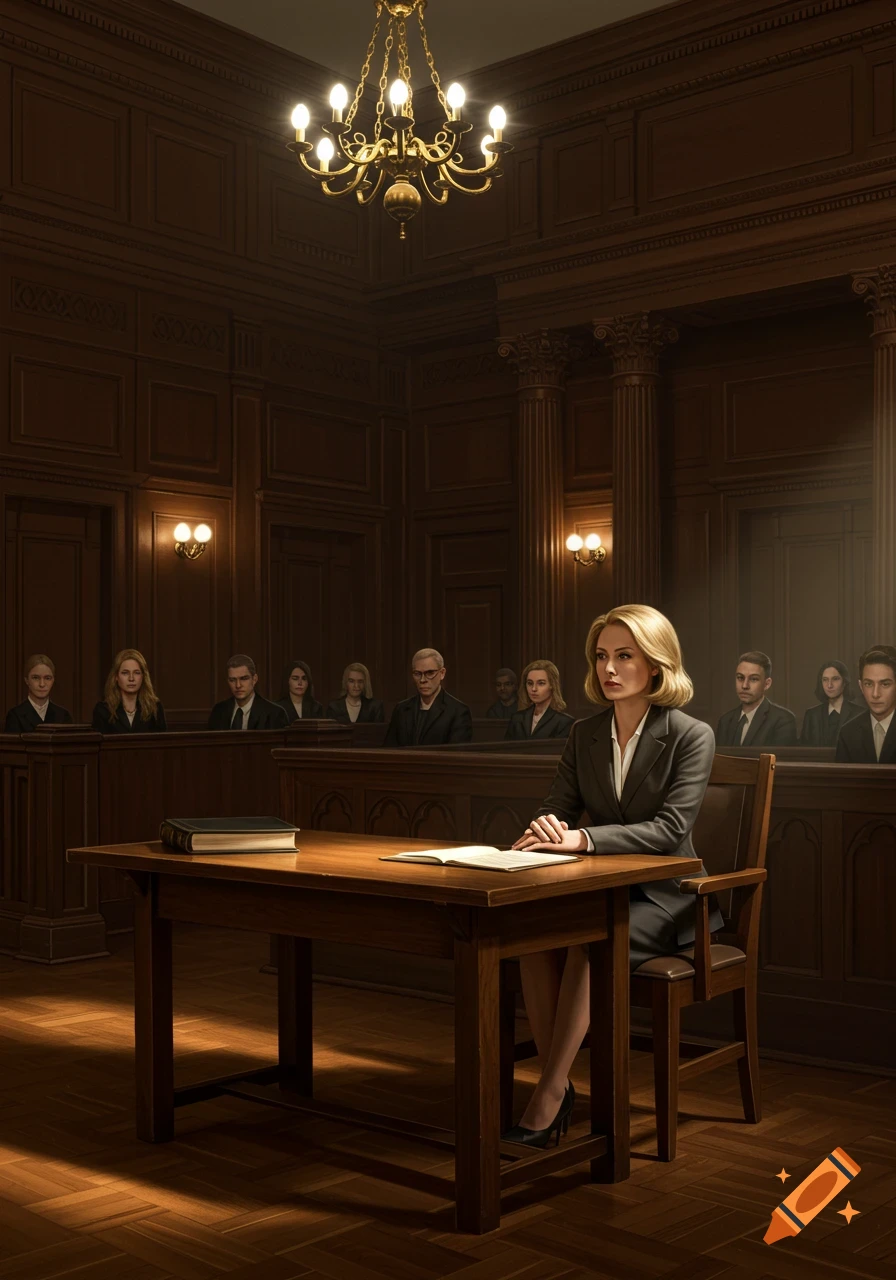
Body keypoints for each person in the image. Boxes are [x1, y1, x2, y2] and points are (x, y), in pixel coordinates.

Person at [503, 604, 721, 1148]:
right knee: (530, 936)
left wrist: (582, 839)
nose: (609, 668)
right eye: (602, 656)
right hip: (601, 887)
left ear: (655, 664)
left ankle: (549, 1094)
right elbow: (556, 806)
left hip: (671, 898)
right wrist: (545, 829)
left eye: (625, 655)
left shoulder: (692, 734)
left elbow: (671, 830)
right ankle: (560, 1084)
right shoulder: (584, 734)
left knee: (585, 940)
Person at [383, 647, 472, 747]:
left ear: (442, 673)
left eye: (430, 673)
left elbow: (457, 756)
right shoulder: (401, 709)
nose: (422, 680)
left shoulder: (458, 711)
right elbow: (389, 749)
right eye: (417, 674)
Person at [715, 651, 797, 747]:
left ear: (767, 684)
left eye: (753, 679)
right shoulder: (725, 721)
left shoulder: (783, 720)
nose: (745, 686)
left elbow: (780, 761)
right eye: (740, 678)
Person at [835, 645, 896, 764]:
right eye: (868, 684)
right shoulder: (848, 733)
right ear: (860, 686)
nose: (875, 694)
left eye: (885, 684)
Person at [92, 649, 167, 733]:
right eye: (125, 673)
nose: (131, 678)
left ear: (143, 676)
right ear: (116, 676)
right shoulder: (103, 710)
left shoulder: (155, 708)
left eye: (136, 673)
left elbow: (162, 743)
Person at [208, 654, 288, 730]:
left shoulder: (275, 714)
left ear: (254, 679)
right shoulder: (218, 711)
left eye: (244, 678)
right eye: (232, 680)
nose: (238, 685)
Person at [505, 660, 575, 741]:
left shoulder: (564, 722)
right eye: (530, 683)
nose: (534, 689)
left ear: (552, 685)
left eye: (541, 683)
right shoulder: (517, 718)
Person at [799, 661, 864, 747]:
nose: (829, 685)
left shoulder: (859, 714)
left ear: (844, 682)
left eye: (835, 679)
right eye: (825, 680)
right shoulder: (812, 715)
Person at [5, 653, 73, 731]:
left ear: (53, 680)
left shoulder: (63, 715)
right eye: (36, 678)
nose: (42, 684)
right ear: (27, 680)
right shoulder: (15, 716)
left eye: (47, 678)